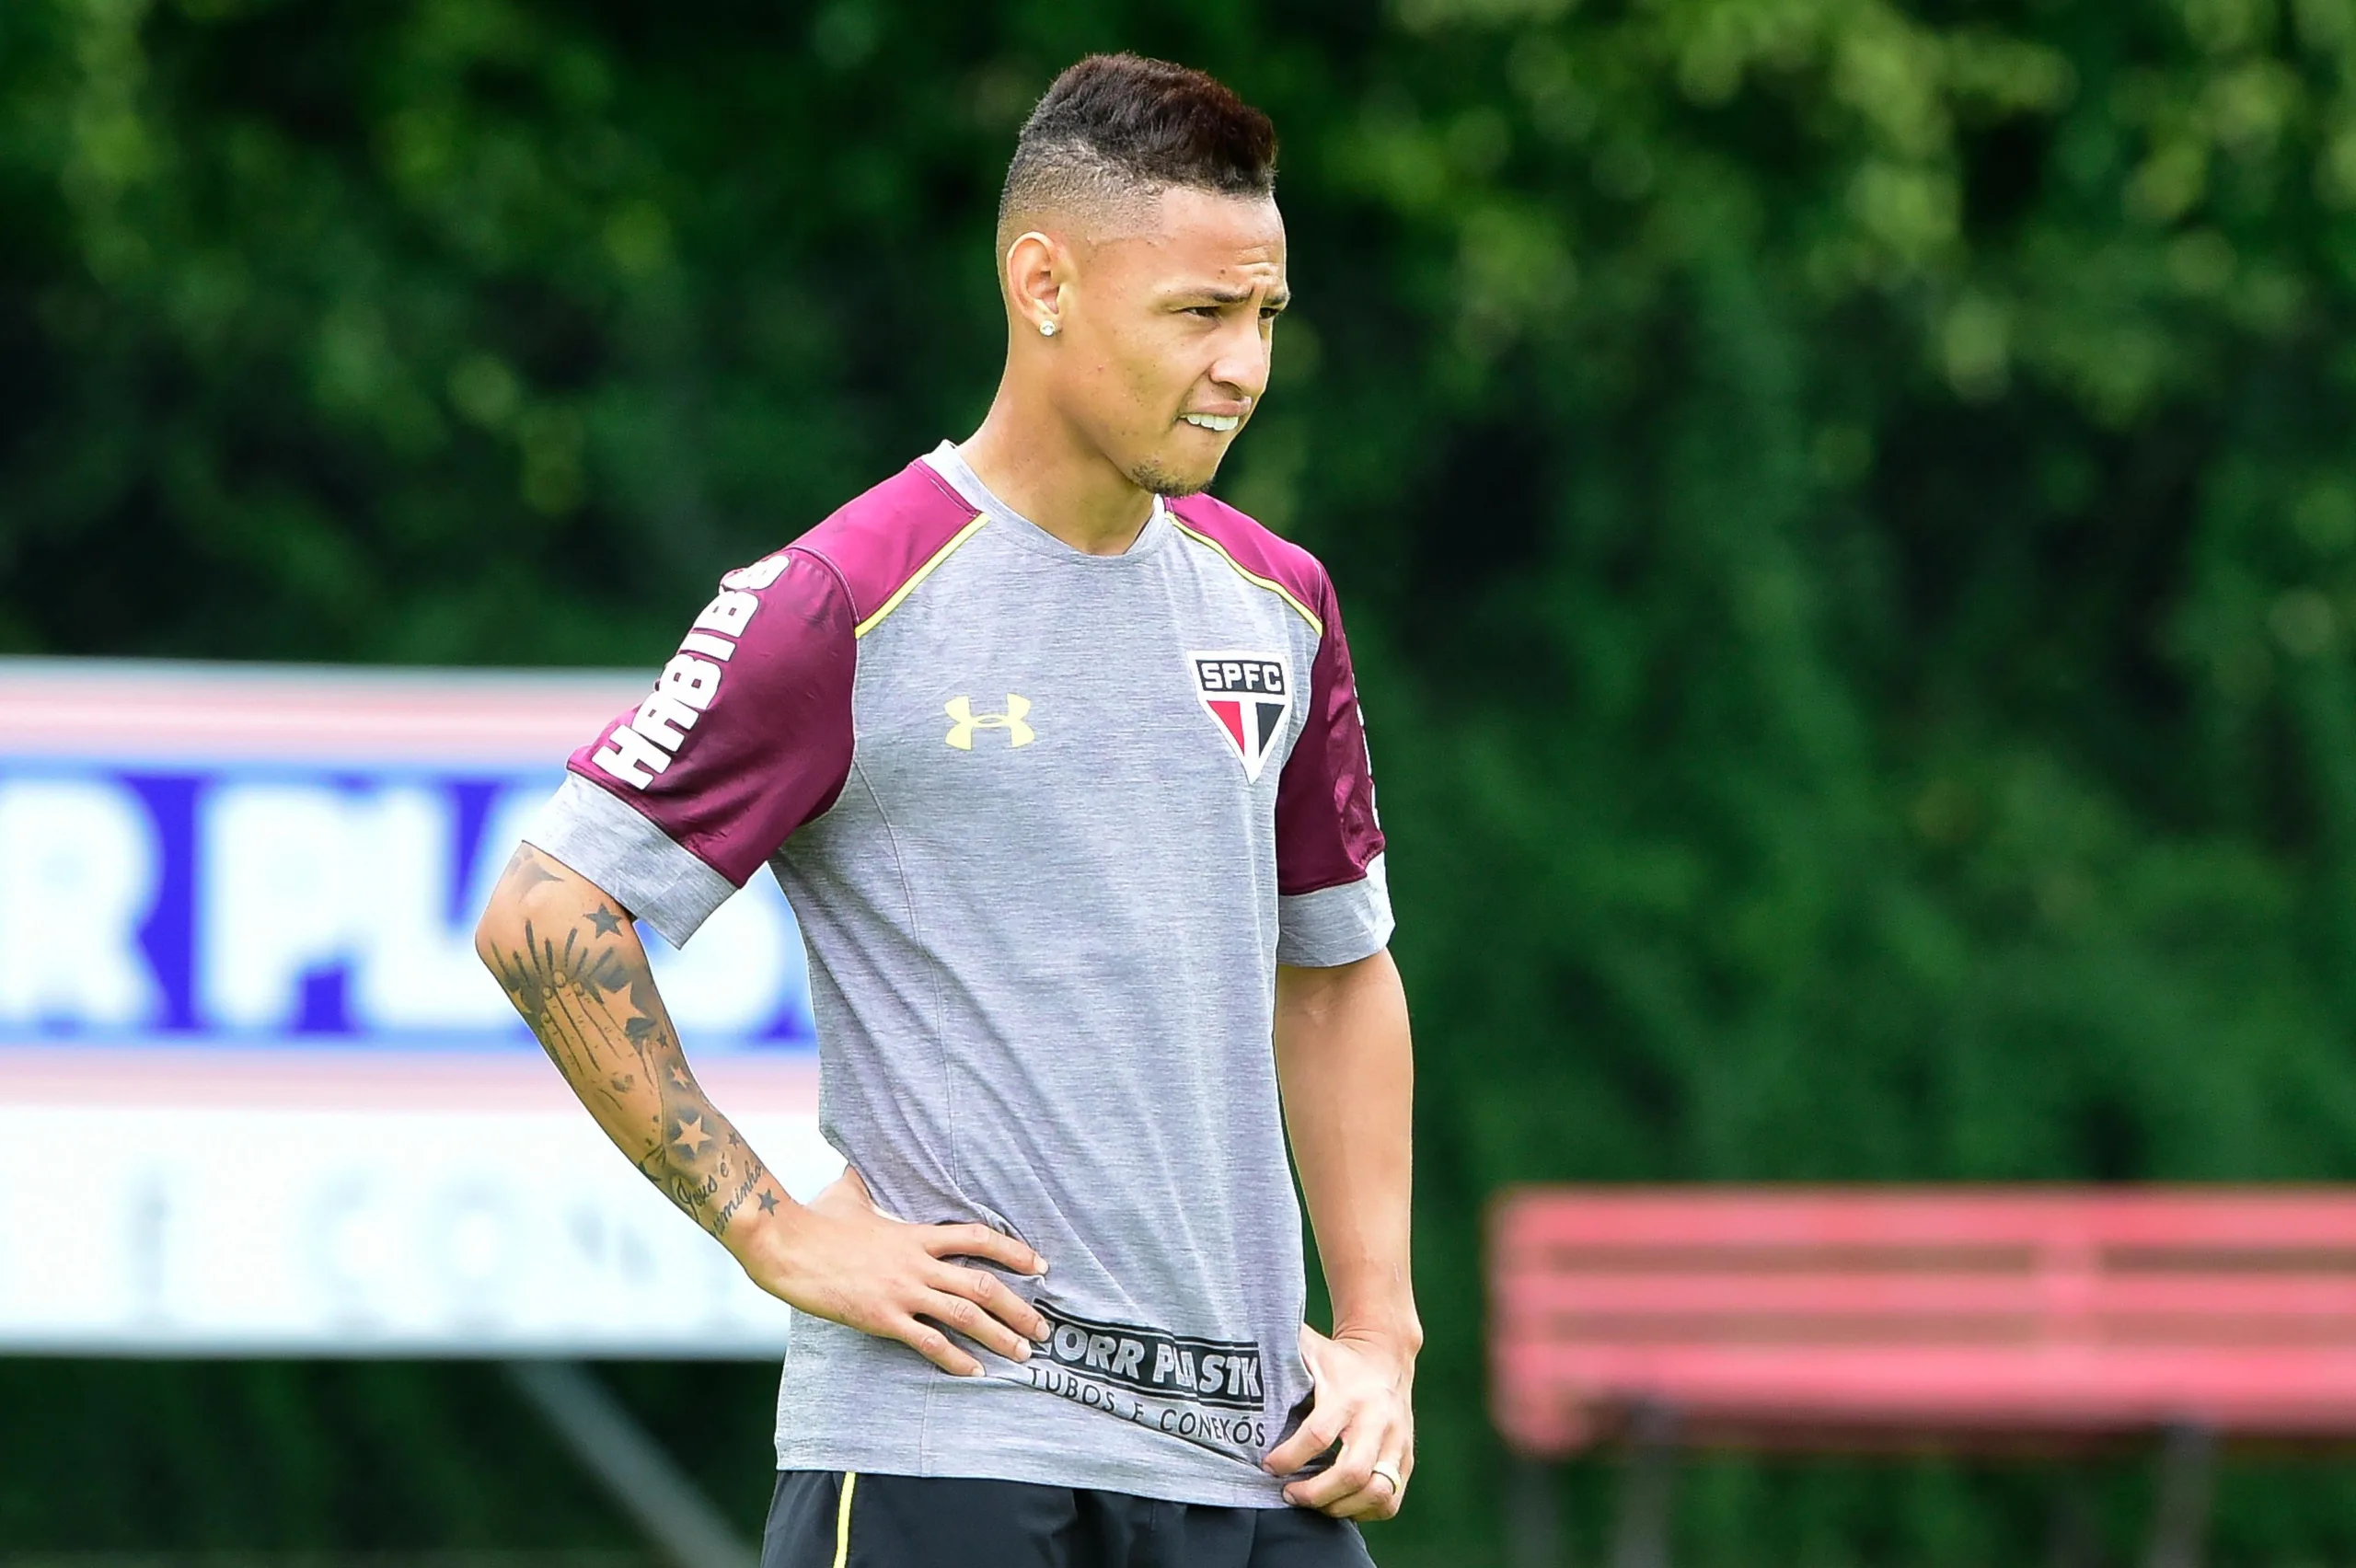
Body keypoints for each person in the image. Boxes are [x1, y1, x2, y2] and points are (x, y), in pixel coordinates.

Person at [474, 52, 1415, 1568]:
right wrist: (772, 1228)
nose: (1243, 364)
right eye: (1199, 313)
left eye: (1264, 317)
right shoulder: (842, 599)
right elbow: (545, 915)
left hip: (1257, 1464)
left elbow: (1340, 973)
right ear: (1041, 283)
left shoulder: (1280, 604)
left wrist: (1381, 1335)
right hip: (946, 1453)